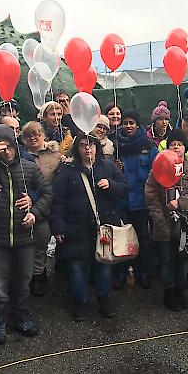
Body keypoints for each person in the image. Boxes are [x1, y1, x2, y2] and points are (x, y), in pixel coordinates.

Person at [0, 124, 52, 345]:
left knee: (23, 280)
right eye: (1, 148)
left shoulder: (29, 167)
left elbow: (47, 193)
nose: (7, 152)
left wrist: (35, 211)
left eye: (10, 147)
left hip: (24, 235)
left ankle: (22, 316)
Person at [51, 133, 128, 320]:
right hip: (76, 228)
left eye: (91, 145)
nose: (88, 149)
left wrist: (111, 184)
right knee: (78, 267)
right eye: (83, 145)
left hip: (104, 226)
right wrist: (58, 227)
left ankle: (104, 298)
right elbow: (58, 200)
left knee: (104, 266)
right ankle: (79, 302)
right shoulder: (68, 171)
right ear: (77, 149)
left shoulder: (108, 166)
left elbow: (124, 187)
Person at [145, 129, 188, 311]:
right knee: (166, 259)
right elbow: (150, 193)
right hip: (164, 222)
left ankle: (181, 290)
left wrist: (180, 203)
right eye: (173, 144)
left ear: (185, 147)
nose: (176, 147)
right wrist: (159, 219)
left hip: (186, 222)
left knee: (183, 257)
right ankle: (168, 293)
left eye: (179, 144)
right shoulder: (159, 165)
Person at [115, 109, 158, 289]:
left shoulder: (148, 145)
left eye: (132, 123)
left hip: (142, 201)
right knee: (122, 239)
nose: (128, 126)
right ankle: (122, 273)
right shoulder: (115, 143)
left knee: (143, 238)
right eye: (125, 123)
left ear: (138, 124)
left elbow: (156, 170)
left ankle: (143, 272)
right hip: (122, 201)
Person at [21, 121, 63, 297]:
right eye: (29, 135)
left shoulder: (56, 155)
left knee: (51, 242)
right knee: (34, 244)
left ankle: (49, 274)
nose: (33, 138)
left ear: (43, 135)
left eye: (37, 134)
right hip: (32, 206)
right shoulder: (20, 156)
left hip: (54, 205)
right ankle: (33, 277)